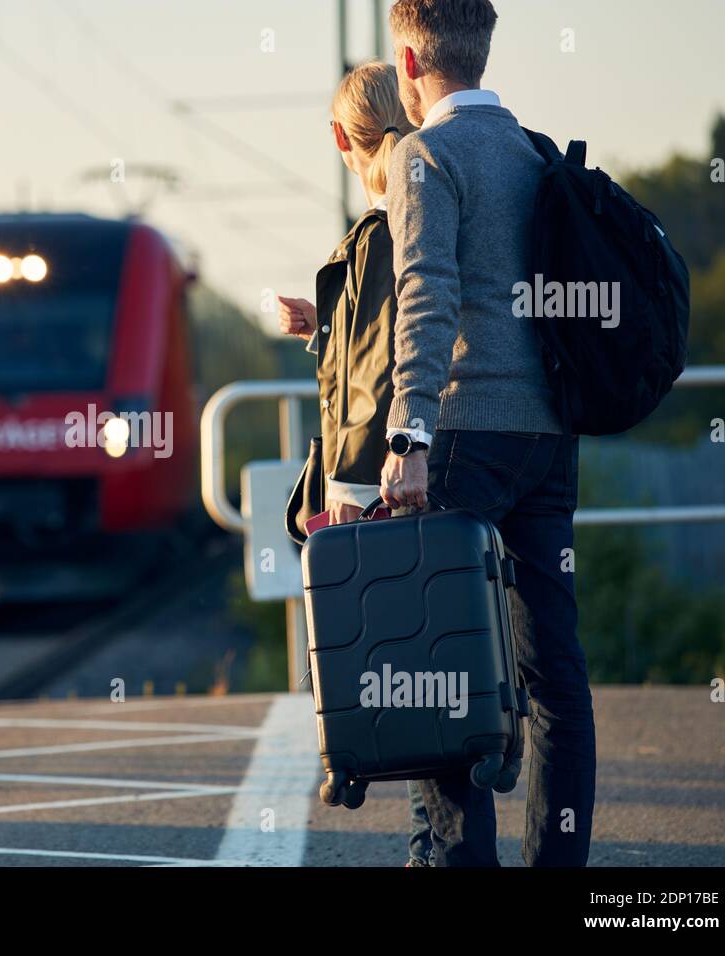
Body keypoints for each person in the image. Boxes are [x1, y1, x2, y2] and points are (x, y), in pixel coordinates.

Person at [378, 0, 594, 866]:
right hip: (549, 438)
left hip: (464, 434)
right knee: (555, 680)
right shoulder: (533, 152)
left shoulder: (423, 154)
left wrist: (408, 437)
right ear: (483, 48)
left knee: (443, 672)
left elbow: (427, 298)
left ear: (408, 59)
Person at [277, 61, 435, 866]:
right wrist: (320, 331)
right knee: (430, 656)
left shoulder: (380, 233)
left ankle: (432, 849)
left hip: (381, 477)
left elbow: (377, 379)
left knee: (406, 662)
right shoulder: (422, 213)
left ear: (342, 139)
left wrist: (344, 491)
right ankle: (434, 844)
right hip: (429, 457)